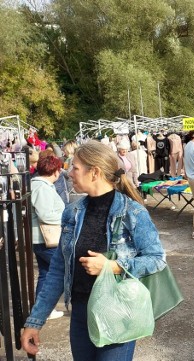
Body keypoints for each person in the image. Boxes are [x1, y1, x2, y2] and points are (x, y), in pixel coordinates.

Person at [21, 140, 166, 360]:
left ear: (95, 172)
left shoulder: (132, 212)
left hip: (118, 313)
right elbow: (58, 271)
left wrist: (113, 266)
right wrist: (35, 322)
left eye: (75, 167)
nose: (69, 173)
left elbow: (156, 259)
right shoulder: (72, 213)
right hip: (80, 315)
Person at [30, 155, 66, 321]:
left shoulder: (39, 185)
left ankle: (43, 310)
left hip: (41, 239)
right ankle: (50, 307)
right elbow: (45, 215)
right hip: (46, 239)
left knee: (45, 274)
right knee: (62, 272)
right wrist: (64, 217)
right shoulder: (42, 187)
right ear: (55, 171)